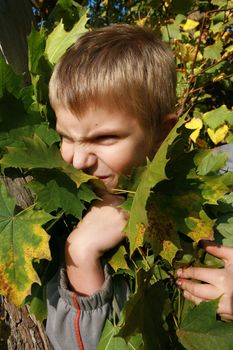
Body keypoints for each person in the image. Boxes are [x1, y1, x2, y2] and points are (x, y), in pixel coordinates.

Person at [46, 24, 233, 349]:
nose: (77, 161)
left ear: (162, 132)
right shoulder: (58, 222)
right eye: (65, 136)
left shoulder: (221, 176)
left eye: (103, 138)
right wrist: (81, 254)